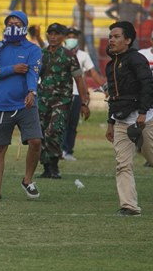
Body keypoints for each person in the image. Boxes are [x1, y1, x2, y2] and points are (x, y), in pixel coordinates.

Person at [0, 11, 44, 200]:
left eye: (18, 24)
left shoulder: (32, 50)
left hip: (26, 103)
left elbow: (33, 72)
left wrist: (31, 91)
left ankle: (27, 180)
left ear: (25, 26)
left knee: (35, 142)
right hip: (2, 104)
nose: (13, 26)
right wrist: (12, 69)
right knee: (0, 147)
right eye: (10, 23)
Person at [104, 21, 153, 215]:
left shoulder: (136, 59)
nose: (111, 40)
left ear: (128, 40)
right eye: (110, 37)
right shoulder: (111, 65)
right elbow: (113, 96)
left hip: (145, 119)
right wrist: (110, 122)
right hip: (121, 120)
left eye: (116, 37)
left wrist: (142, 113)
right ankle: (129, 206)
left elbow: (147, 85)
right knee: (122, 164)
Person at [37, 23, 88, 179]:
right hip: (42, 100)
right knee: (41, 133)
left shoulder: (69, 55)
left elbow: (79, 79)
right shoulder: (40, 54)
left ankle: (54, 166)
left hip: (61, 101)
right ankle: (46, 167)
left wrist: (84, 103)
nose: (53, 36)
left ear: (62, 37)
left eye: (56, 33)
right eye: (50, 33)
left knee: (54, 131)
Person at [61, 27, 104, 161]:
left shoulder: (83, 55)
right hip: (61, 93)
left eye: (73, 36)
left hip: (77, 93)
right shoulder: (59, 53)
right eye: (68, 36)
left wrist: (104, 86)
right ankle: (58, 150)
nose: (71, 39)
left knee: (72, 124)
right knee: (61, 123)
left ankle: (68, 151)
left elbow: (92, 72)